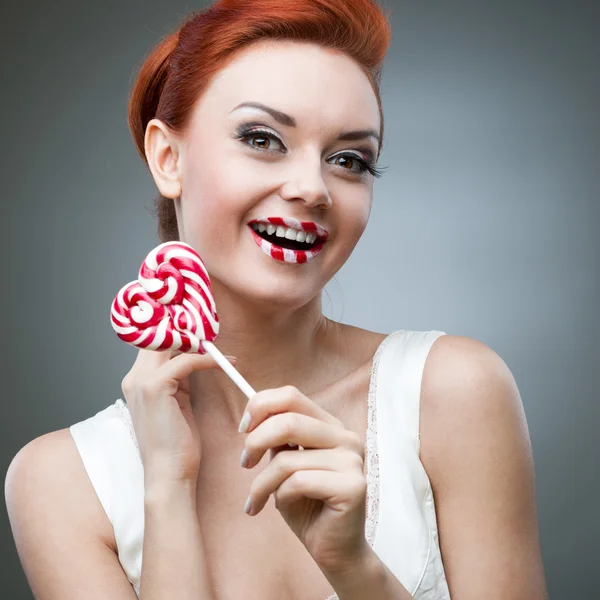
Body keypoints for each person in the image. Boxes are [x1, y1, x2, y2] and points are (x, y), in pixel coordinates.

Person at [4, 1, 548, 599]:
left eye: (349, 159)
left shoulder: (454, 394)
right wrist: (167, 489)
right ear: (168, 157)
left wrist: (356, 569)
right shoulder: (59, 482)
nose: (311, 188)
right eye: (262, 139)